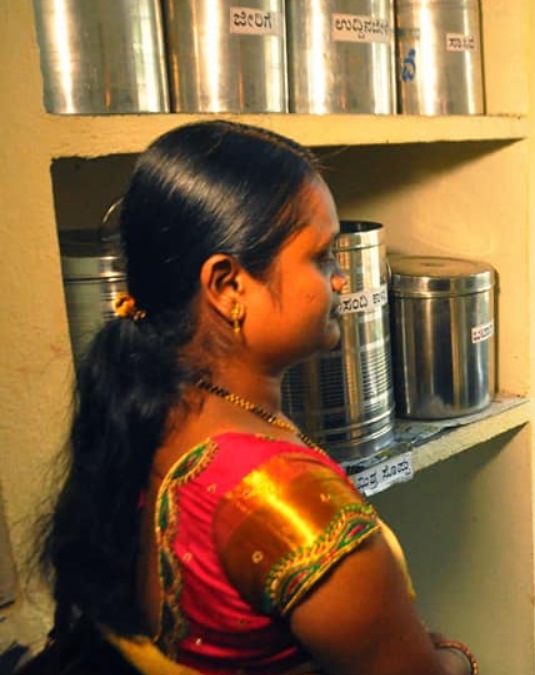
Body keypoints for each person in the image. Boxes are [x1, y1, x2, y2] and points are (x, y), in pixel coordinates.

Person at [34, 120, 476, 675]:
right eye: (321, 257)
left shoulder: (153, 408)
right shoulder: (286, 503)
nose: (340, 280)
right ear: (228, 285)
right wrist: (455, 657)